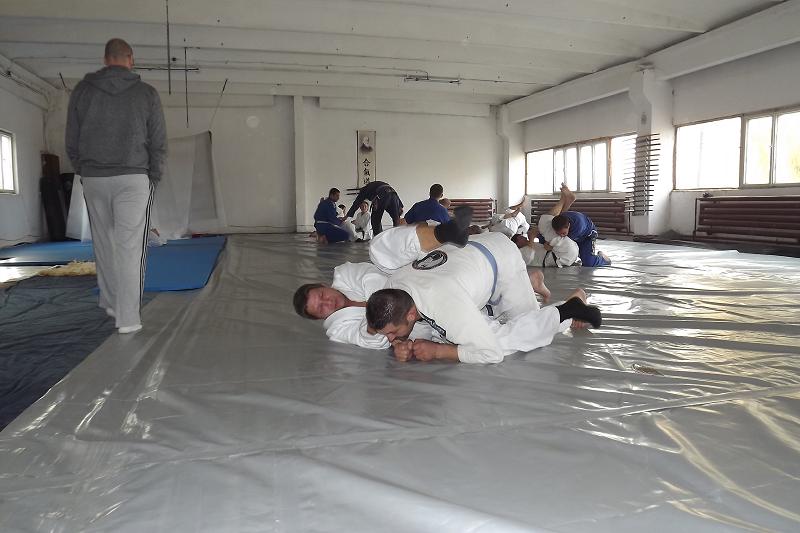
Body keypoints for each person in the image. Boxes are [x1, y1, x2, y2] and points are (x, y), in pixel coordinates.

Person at [366, 226, 602, 364]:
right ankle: (530, 282)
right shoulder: (392, 287)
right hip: (469, 254)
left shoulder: (444, 305)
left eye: (392, 333)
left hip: (502, 260)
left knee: (516, 332)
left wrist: (440, 351)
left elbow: (491, 353)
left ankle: (568, 308)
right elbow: (416, 323)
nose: (389, 339)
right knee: (443, 331)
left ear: (410, 314)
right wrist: (401, 342)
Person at [65, 38, 166, 334]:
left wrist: (84, 170)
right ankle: (128, 319)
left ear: (105, 59)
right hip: (133, 178)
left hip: (95, 178)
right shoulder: (146, 93)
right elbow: (158, 141)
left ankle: (110, 302)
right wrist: (154, 176)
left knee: (104, 244)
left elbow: (72, 139)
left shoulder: (82, 91)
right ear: (130, 59)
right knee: (130, 247)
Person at [539, 184, 611, 267]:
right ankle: (568, 200)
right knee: (544, 234)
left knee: (588, 262)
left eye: (563, 233)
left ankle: (604, 259)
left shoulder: (578, 227)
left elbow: (567, 246)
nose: (561, 235)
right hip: (572, 226)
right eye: (559, 233)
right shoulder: (559, 221)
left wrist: (551, 247)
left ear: (569, 226)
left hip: (587, 237)